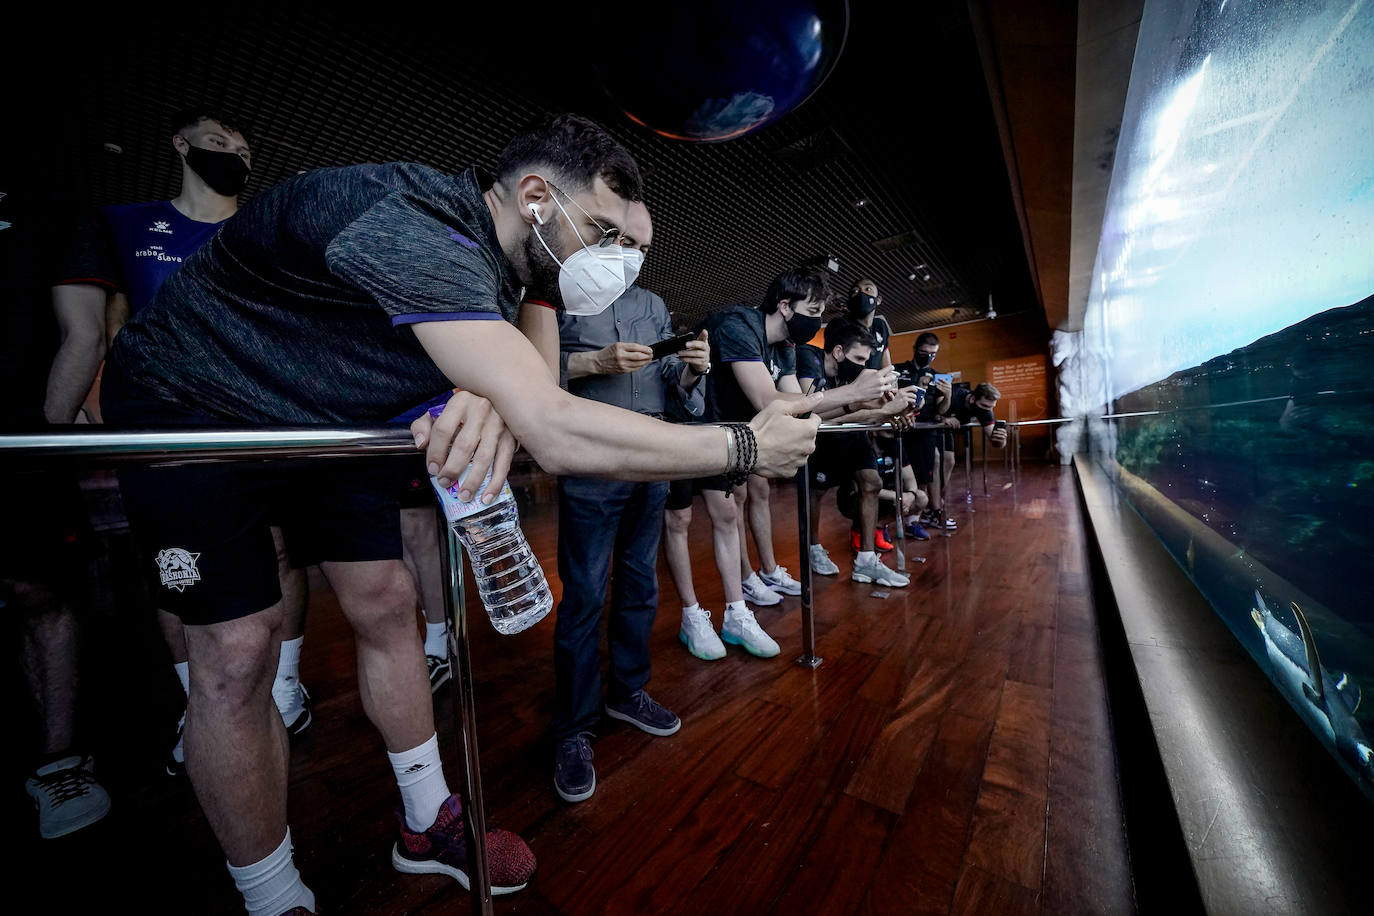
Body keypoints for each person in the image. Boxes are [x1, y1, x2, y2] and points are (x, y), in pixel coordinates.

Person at [99, 112, 819, 915]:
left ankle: (426, 820)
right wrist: (742, 448)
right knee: (236, 649)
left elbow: (531, 400)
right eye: (607, 233)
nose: (620, 263)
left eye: (633, 248)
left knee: (387, 600)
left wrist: (494, 397)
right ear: (537, 197)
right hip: (197, 402)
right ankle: (272, 896)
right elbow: (552, 426)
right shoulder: (415, 222)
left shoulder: (525, 274)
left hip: (328, 418)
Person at [49, 109, 312, 776]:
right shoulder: (130, 224)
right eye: (218, 140)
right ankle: (197, 707)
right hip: (165, 430)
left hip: (263, 420)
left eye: (243, 145)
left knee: (282, 556)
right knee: (176, 571)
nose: (233, 149)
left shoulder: (266, 228)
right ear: (180, 145)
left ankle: (283, 693)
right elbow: (111, 329)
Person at [550, 202, 711, 802]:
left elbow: (672, 388)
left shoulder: (654, 307)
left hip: (650, 460)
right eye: (624, 242)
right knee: (586, 593)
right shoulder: (559, 295)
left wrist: (692, 372)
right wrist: (593, 361)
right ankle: (572, 727)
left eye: (643, 248)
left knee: (641, 584)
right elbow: (532, 377)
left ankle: (627, 690)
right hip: (591, 461)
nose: (633, 257)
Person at [702, 266, 895, 647]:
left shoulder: (785, 346)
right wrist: (850, 393)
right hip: (706, 423)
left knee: (748, 500)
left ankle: (758, 576)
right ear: (785, 306)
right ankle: (737, 598)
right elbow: (767, 399)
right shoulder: (737, 324)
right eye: (813, 312)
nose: (818, 322)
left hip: (744, 427)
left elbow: (800, 406)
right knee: (726, 511)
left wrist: (866, 401)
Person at [2, 182, 112, 840]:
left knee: (39, 592)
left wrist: (41, 444)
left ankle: (59, 759)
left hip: (21, 440)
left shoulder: (55, 210)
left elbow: (85, 333)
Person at [795, 317, 915, 586]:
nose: (863, 366)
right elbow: (806, 410)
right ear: (838, 352)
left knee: (871, 483)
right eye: (859, 359)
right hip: (820, 432)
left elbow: (862, 406)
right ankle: (813, 548)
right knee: (815, 491)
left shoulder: (855, 374)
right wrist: (866, 407)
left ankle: (866, 559)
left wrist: (893, 410)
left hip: (851, 430)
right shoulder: (807, 357)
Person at [846, 277, 894, 370]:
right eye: (855, 291)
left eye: (868, 289)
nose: (861, 294)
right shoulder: (841, 325)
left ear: (878, 300)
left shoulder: (881, 325)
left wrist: (889, 379)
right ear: (849, 303)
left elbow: (886, 361)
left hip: (876, 381)